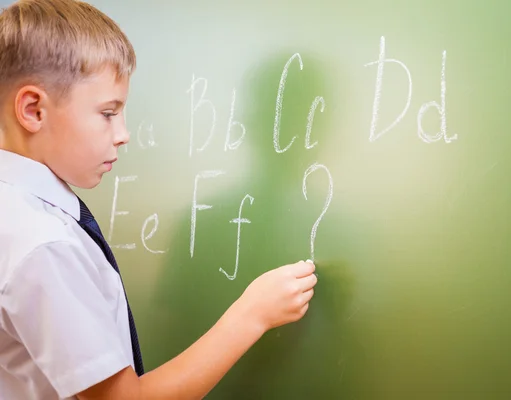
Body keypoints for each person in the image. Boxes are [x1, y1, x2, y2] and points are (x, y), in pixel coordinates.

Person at [0, 0, 318, 399]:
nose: (123, 134)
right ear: (33, 110)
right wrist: (251, 314)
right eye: (107, 113)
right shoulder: (43, 244)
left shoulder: (18, 212)